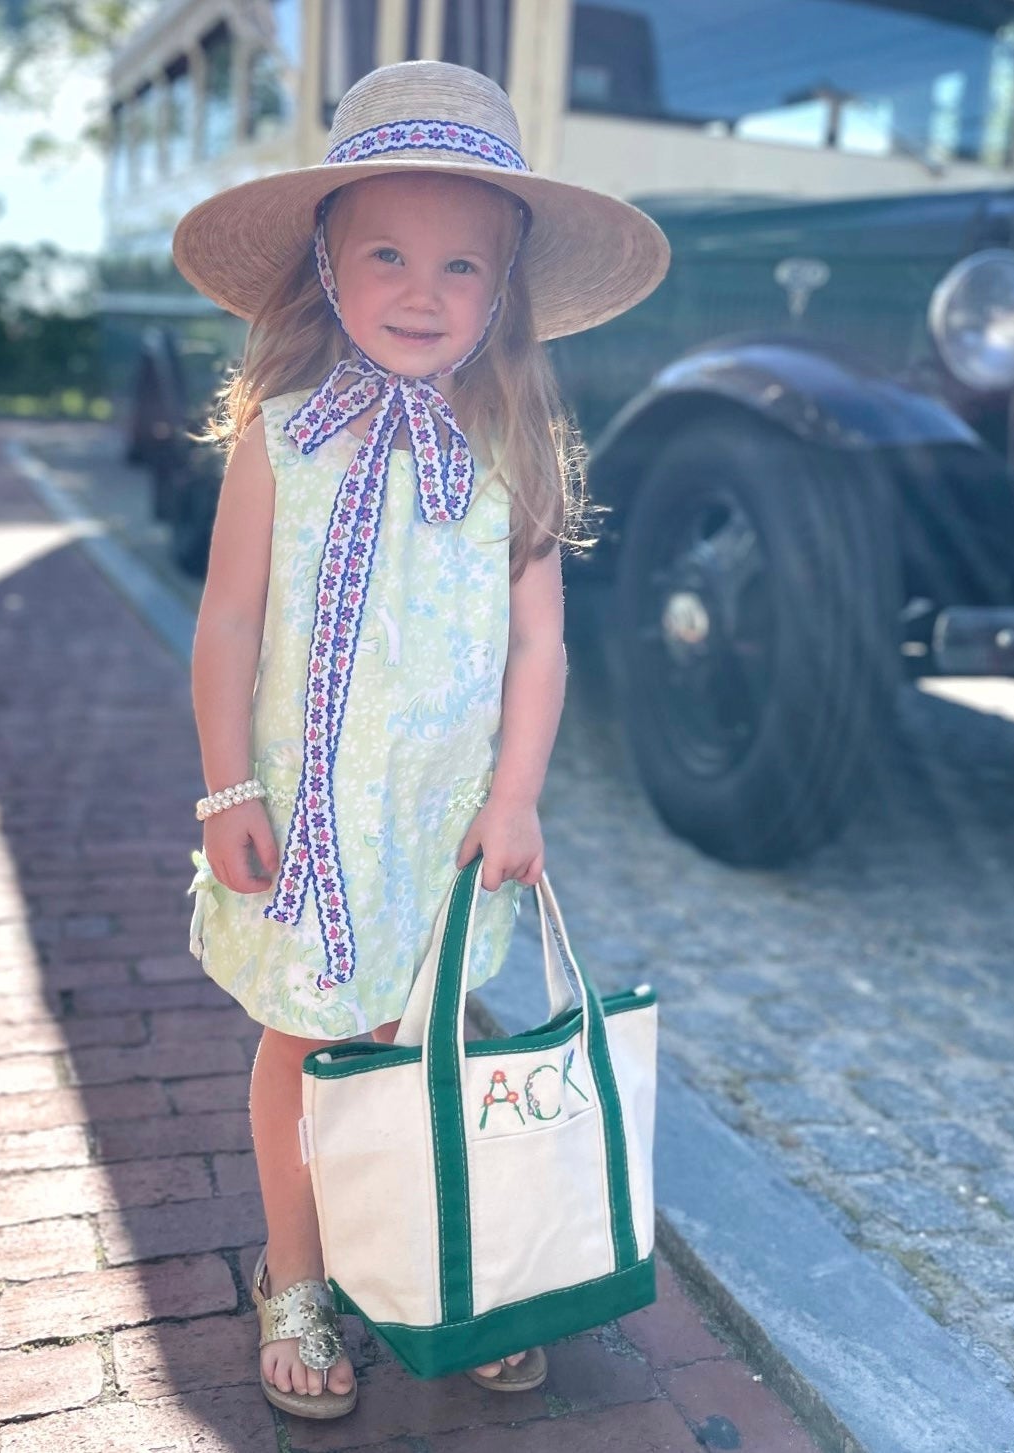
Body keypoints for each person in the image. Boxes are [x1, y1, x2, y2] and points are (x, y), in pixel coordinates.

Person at [174, 60, 668, 1421]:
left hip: (439, 827)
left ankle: (429, 1269)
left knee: (417, 1045)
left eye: (460, 266)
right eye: (386, 251)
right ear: (326, 257)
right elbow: (224, 621)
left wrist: (517, 799)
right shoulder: (282, 430)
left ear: (503, 289)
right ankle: (295, 1272)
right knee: (298, 1042)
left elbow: (542, 647)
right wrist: (227, 781)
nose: (419, 289)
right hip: (307, 825)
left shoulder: (512, 436)